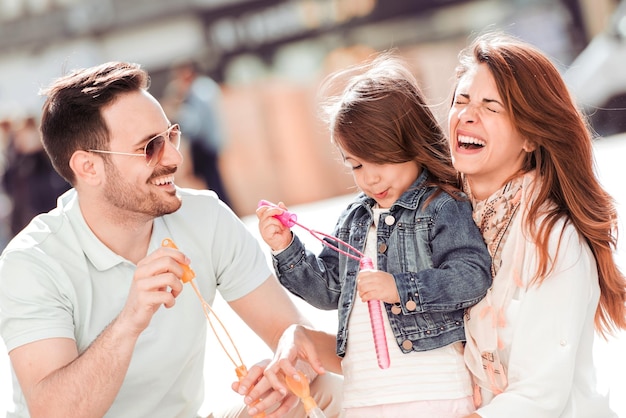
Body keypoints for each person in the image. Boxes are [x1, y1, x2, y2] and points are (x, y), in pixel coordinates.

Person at [0, 61, 342, 418]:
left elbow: (302, 341)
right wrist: (130, 319)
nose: (175, 157)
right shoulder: (32, 262)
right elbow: (54, 413)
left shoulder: (205, 218)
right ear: (88, 168)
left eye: (171, 136)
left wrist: (289, 367)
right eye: (150, 146)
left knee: (321, 391)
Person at [256, 54, 493, 417]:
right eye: (356, 165)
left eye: (380, 160)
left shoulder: (439, 206)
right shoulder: (354, 218)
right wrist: (286, 247)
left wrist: (401, 287)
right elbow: (329, 291)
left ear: (410, 144)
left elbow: (472, 276)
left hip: (434, 393)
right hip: (364, 398)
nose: (370, 178)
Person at [447, 32, 626, 417]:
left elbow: (537, 397)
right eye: (461, 100)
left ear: (529, 134)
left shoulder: (554, 239)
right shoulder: (434, 223)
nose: (467, 115)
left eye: (490, 107)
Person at [163, 60, 232, 208]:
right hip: (210, 142)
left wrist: (176, 114)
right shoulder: (205, 87)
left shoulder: (198, 91)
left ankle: (224, 209)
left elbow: (195, 124)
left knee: (213, 182)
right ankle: (225, 208)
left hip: (204, 143)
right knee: (214, 180)